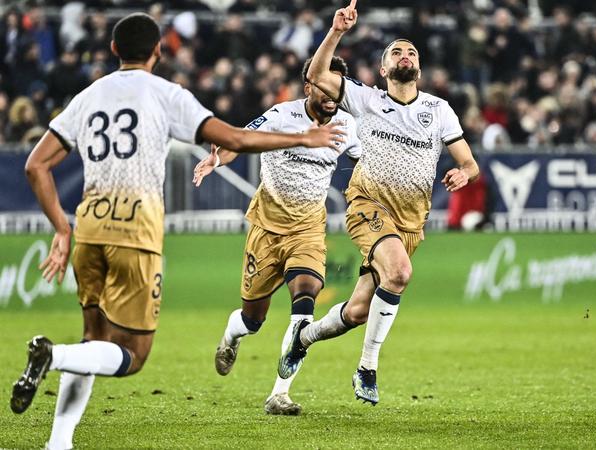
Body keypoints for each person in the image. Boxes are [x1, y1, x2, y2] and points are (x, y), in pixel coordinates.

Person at [10, 13, 344, 449]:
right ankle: (53, 356)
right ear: (158, 51)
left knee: (94, 337)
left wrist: (60, 228)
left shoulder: (88, 94)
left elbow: (36, 164)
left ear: (113, 51)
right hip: (136, 230)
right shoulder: (167, 94)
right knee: (132, 355)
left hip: (89, 228)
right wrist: (302, 139)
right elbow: (235, 139)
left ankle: (59, 442)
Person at [276, 0, 480, 405]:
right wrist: (336, 32)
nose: (405, 56)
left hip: (409, 224)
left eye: (412, 53)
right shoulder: (367, 100)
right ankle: (367, 368)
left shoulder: (439, 111)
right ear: (384, 69)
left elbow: (470, 163)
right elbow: (317, 75)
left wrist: (464, 173)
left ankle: (305, 336)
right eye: (396, 53)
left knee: (355, 313)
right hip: (368, 206)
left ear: (418, 68)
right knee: (400, 273)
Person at [192, 56, 360, 416]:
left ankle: (279, 393)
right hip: (266, 228)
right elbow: (243, 140)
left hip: (308, 228)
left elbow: (366, 162)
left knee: (306, 296)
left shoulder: (348, 124)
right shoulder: (282, 115)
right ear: (308, 87)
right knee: (252, 320)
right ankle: (230, 336)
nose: (332, 94)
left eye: (337, 87)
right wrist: (217, 160)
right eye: (325, 86)